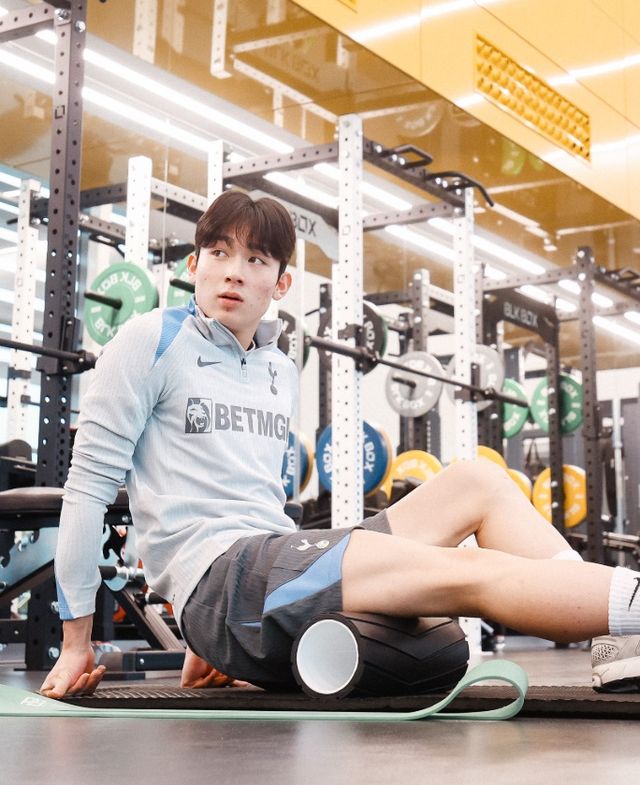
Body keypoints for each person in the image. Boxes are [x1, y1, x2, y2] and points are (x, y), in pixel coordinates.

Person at [41, 190, 640, 699]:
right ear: (194, 264)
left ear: (281, 283)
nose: (233, 272)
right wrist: (76, 642)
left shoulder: (278, 369)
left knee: (479, 481)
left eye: (255, 259)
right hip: (222, 582)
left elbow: (265, 500)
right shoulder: (148, 340)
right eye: (219, 253)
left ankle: (611, 634)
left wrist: (214, 641)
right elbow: (87, 490)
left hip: (267, 566)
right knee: (470, 571)